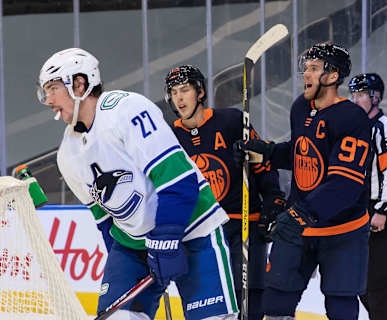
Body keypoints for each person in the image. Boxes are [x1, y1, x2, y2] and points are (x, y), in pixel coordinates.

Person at [37, 48, 238, 320]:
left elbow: (178, 179)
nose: (48, 100)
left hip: (193, 229)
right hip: (133, 246)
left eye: (52, 88)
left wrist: (166, 238)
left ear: (79, 83)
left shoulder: (127, 109)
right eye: (45, 91)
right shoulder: (67, 156)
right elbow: (104, 220)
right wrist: (125, 266)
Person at [237, 43, 371, 320]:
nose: (305, 75)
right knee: (275, 300)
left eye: (312, 69)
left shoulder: (352, 118)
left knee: (340, 304)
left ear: (332, 76)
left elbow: (344, 184)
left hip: (343, 230)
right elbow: (302, 151)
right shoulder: (301, 107)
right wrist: (270, 152)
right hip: (301, 225)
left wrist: (300, 214)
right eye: (305, 69)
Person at [164, 65, 286, 320]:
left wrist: (273, 199)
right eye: (174, 92)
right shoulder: (169, 137)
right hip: (203, 230)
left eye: (184, 90)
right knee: (215, 302)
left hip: (243, 222)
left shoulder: (231, 120)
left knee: (251, 298)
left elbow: (262, 163)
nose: (179, 98)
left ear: (200, 92)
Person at [349, 73, 387, 320]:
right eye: (353, 95)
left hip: (382, 212)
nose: (355, 99)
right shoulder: (358, 128)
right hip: (360, 212)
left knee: (382, 283)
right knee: (363, 282)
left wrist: (383, 209)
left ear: (376, 97)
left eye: (361, 94)